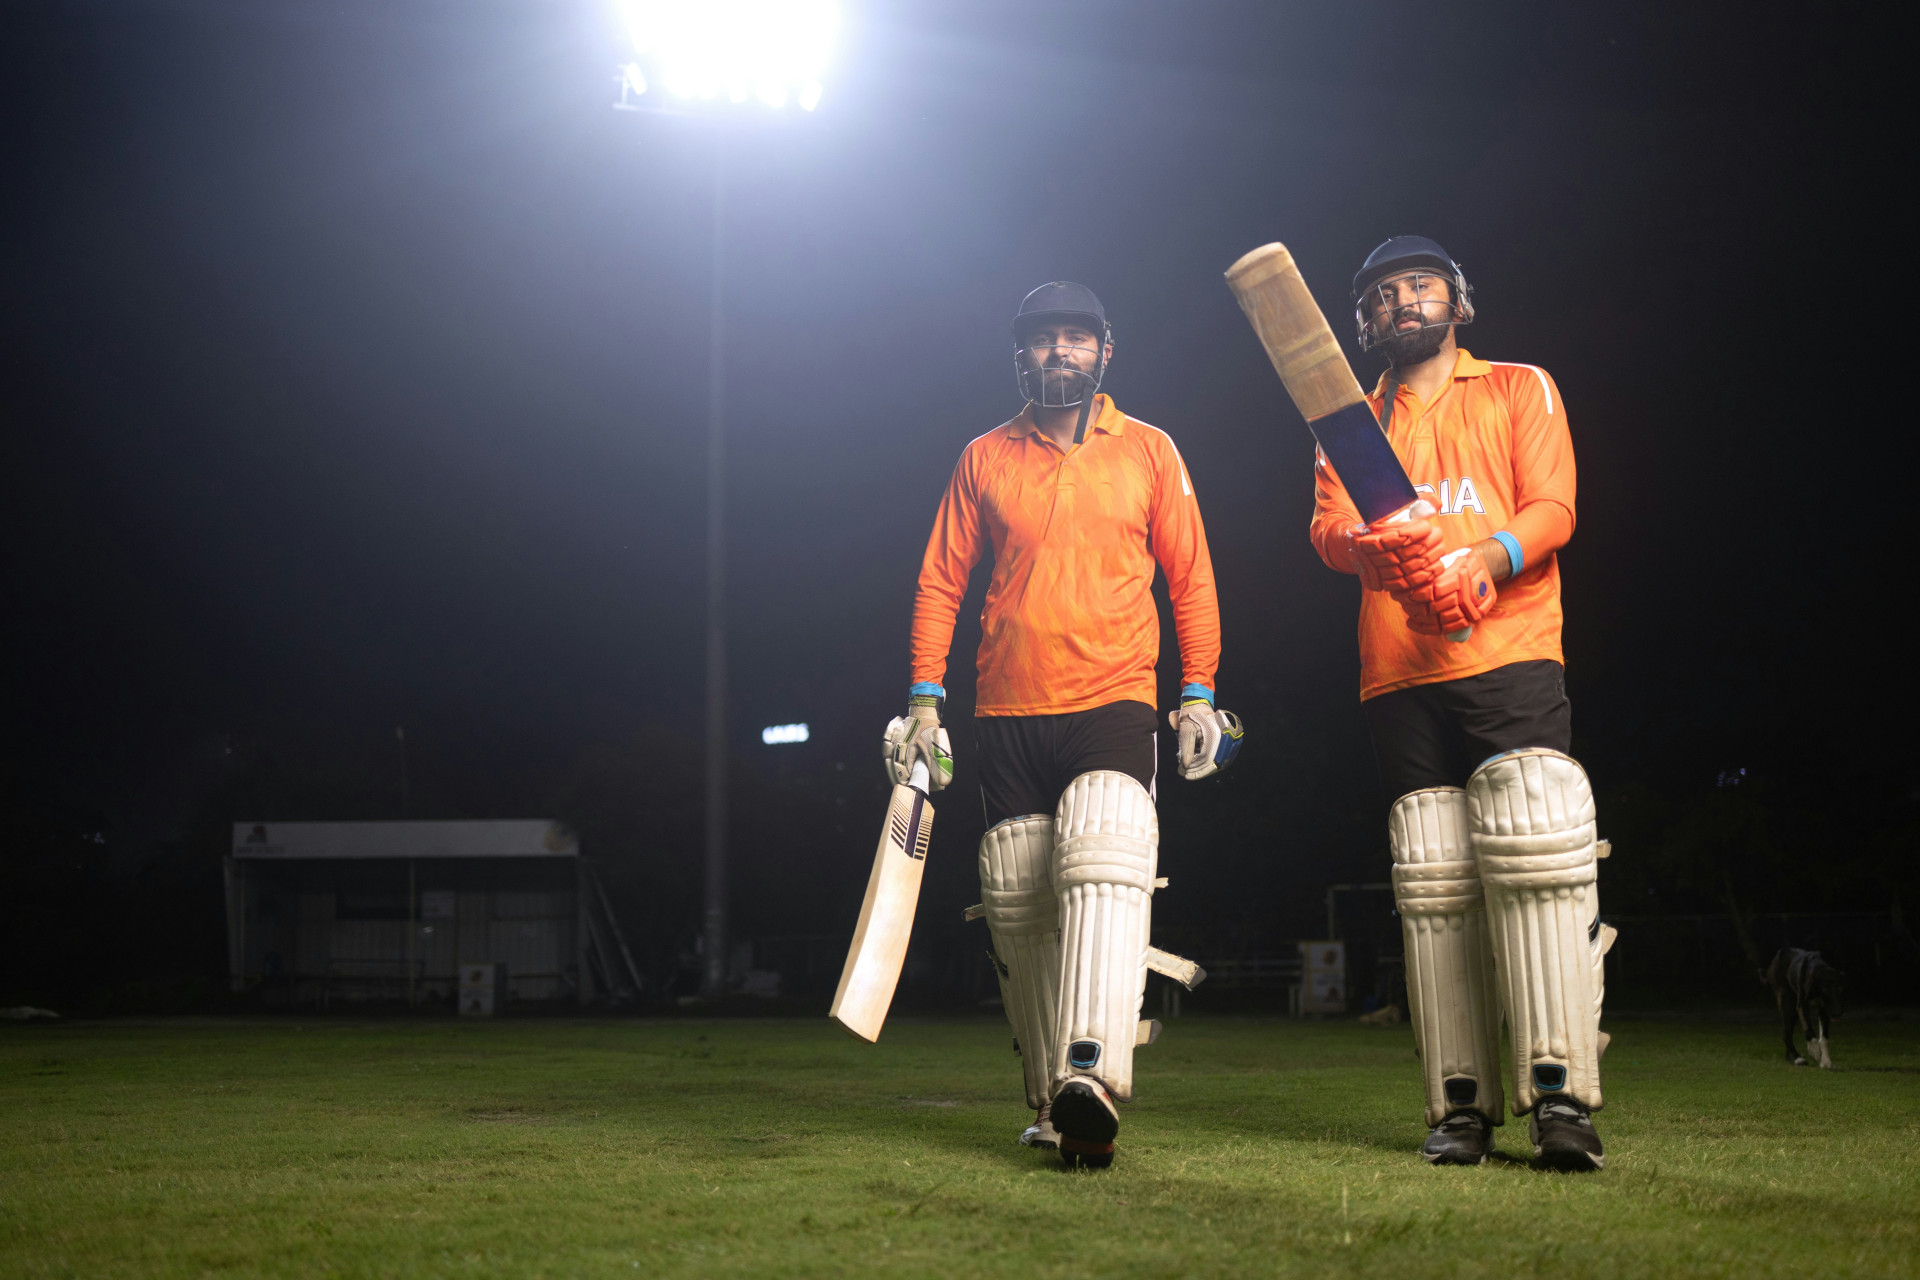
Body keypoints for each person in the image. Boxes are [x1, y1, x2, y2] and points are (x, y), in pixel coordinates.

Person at [885, 282, 1241, 1168]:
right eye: (1043, 339)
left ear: (1105, 353)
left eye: (1076, 338)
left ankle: (1092, 1076)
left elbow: (1191, 577)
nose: (1059, 352)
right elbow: (940, 581)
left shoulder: (1149, 448)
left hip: (1114, 697)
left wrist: (1198, 691)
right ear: (1021, 356)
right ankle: (1053, 1102)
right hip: (1006, 707)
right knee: (1020, 898)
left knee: (1105, 864)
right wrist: (925, 700)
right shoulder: (983, 457)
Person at [1309, 236, 1608, 1171]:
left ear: (1457, 301)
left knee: (1538, 865)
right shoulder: (1352, 423)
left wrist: (1488, 557)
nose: (1403, 301)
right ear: (1366, 321)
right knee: (1437, 884)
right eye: (1383, 294)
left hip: (1509, 655)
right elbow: (1326, 528)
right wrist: (1363, 550)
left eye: (1420, 285)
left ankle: (1560, 1098)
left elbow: (1554, 507)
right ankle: (1460, 1105)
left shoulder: (1518, 386)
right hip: (1399, 673)